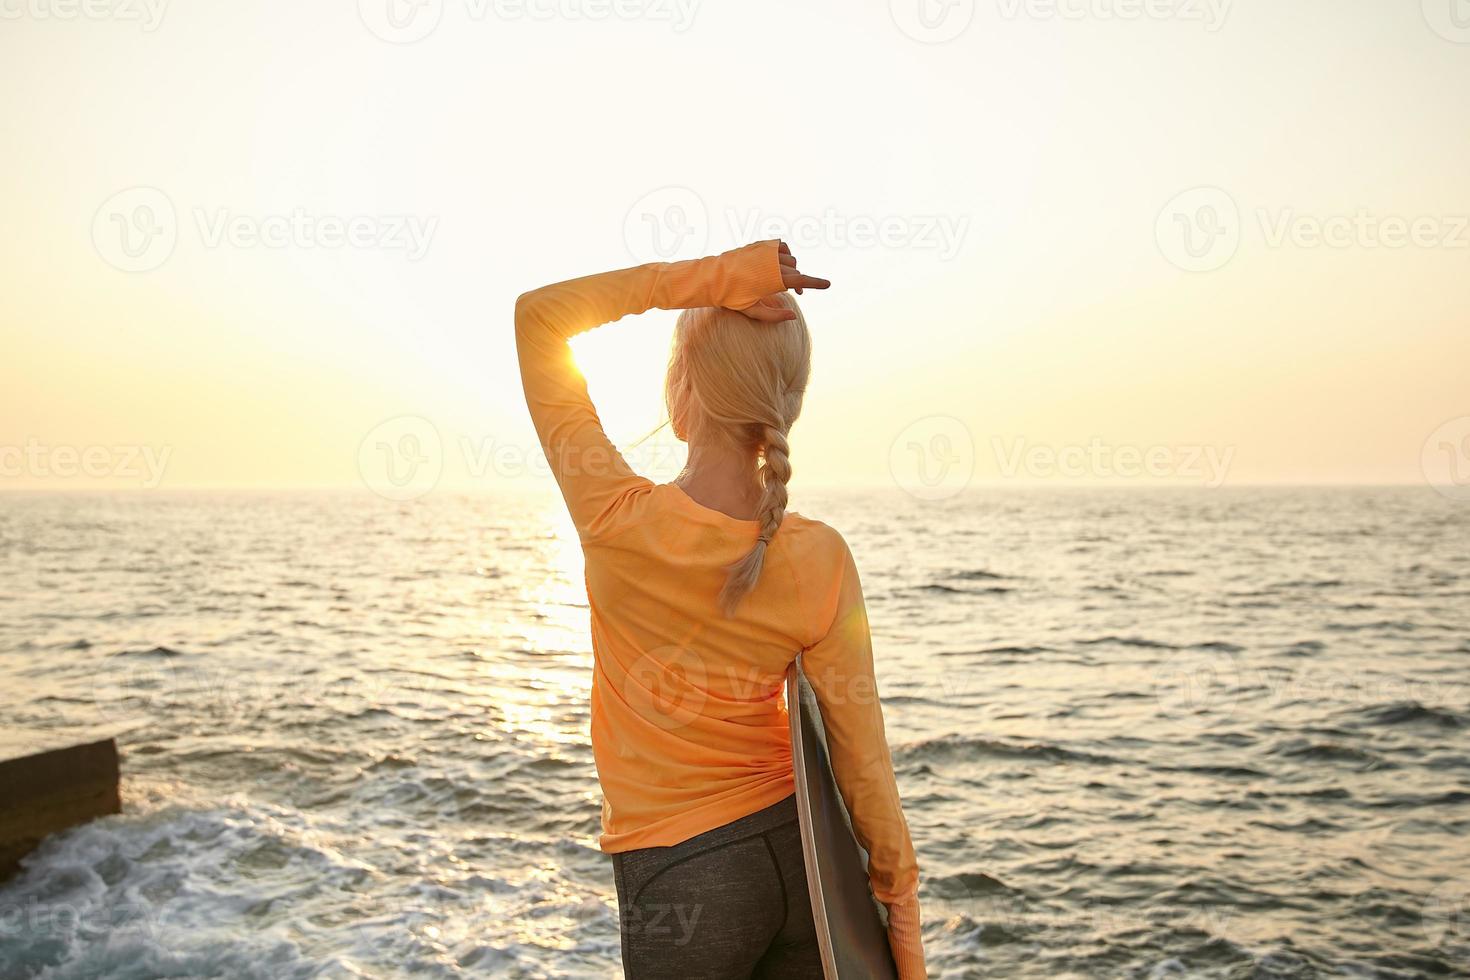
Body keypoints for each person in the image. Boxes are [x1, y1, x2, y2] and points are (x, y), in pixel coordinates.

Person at [515, 239, 926, 979]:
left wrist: (718, 279)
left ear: (681, 389)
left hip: (683, 880)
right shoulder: (821, 556)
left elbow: (540, 318)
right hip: (801, 864)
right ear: (787, 403)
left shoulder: (612, 516)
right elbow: (862, 762)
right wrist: (900, 918)